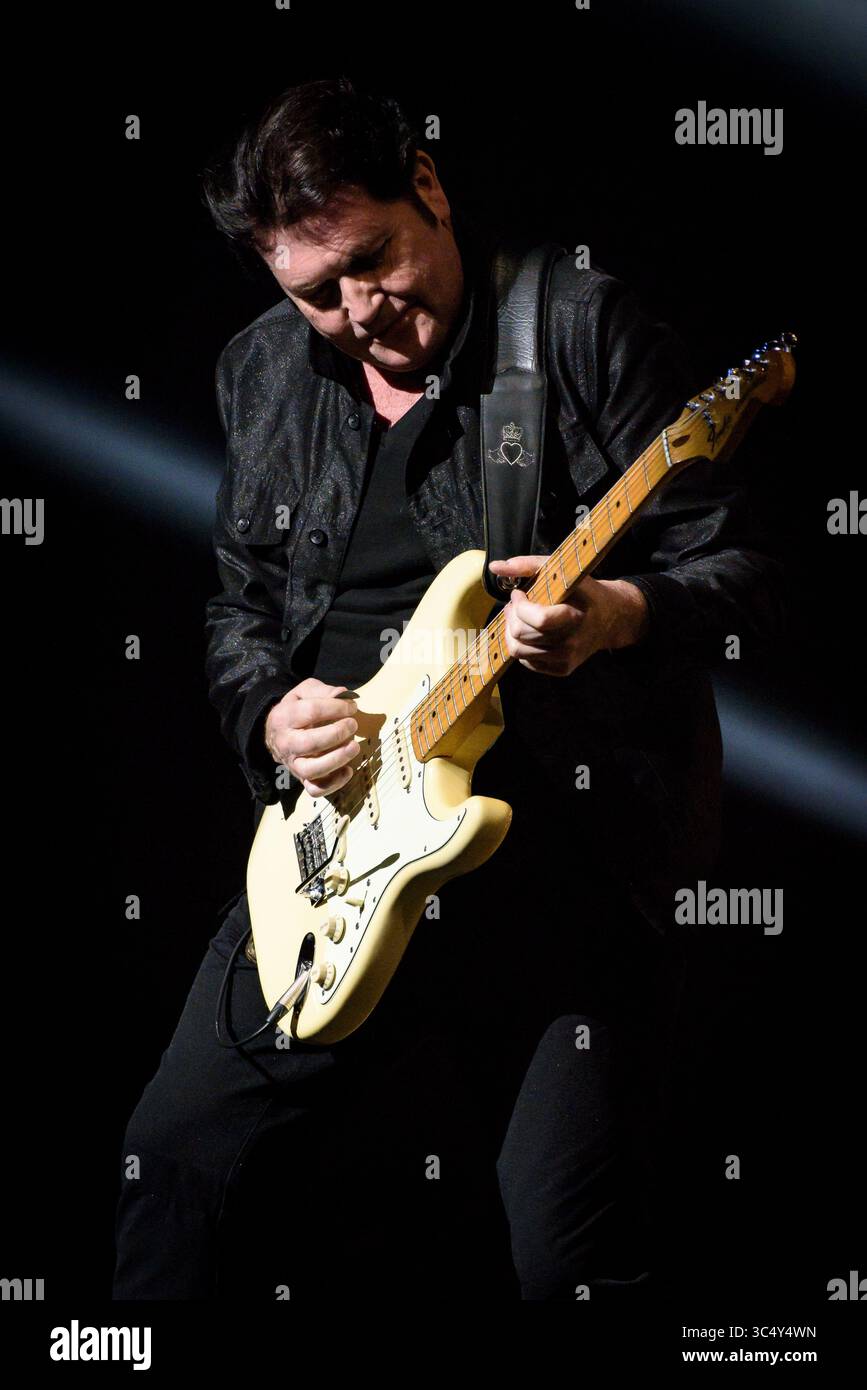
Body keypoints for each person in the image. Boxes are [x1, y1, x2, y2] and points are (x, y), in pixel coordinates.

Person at [112, 77, 784, 1301]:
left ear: (428, 186)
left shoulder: (580, 329)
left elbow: (745, 568)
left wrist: (620, 615)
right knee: (172, 1164)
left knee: (565, 1253)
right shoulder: (259, 373)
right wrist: (270, 712)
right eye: (317, 293)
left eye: (373, 261)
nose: (363, 311)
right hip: (341, 848)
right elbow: (238, 607)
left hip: (564, 858)